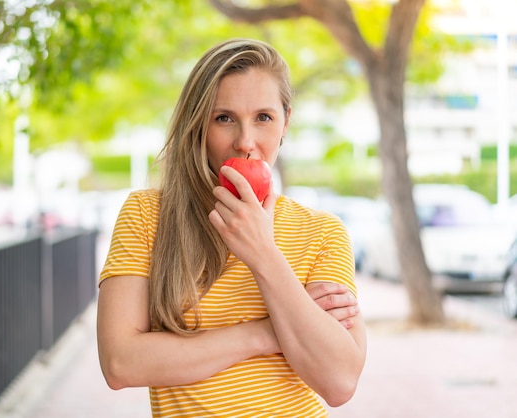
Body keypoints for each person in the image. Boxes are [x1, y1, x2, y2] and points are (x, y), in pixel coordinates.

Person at [97, 38, 366, 417]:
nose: (245, 142)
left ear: (286, 121)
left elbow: (339, 382)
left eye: (264, 118)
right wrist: (267, 333)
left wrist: (263, 254)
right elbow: (120, 363)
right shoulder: (146, 215)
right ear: (199, 125)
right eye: (224, 118)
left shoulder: (322, 232)